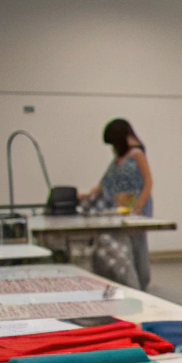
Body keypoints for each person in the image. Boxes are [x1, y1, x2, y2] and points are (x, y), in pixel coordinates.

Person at [79, 119, 153, 289]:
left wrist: (138, 207)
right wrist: (87, 195)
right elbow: (105, 182)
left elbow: (148, 182)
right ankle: (131, 283)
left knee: (138, 246)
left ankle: (142, 283)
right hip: (120, 210)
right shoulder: (118, 159)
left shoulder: (137, 154)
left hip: (136, 209)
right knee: (125, 248)